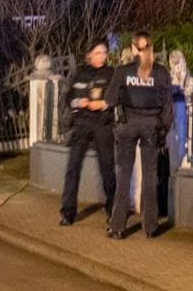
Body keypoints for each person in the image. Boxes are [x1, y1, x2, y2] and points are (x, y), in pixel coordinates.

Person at [104, 31, 172, 240]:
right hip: (151, 127)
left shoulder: (123, 71)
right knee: (150, 176)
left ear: (133, 49)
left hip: (127, 125)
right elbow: (167, 107)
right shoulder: (161, 73)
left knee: (124, 175)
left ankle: (117, 227)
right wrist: (162, 128)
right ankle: (151, 227)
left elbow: (110, 98)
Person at [60, 38, 116, 226]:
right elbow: (69, 98)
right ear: (89, 54)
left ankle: (112, 209)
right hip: (82, 122)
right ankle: (68, 212)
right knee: (73, 167)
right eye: (98, 53)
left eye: (104, 53)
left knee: (107, 168)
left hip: (102, 123)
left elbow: (116, 97)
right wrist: (79, 103)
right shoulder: (80, 74)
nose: (101, 56)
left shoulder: (110, 74)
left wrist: (103, 104)